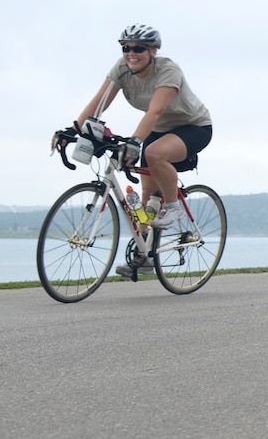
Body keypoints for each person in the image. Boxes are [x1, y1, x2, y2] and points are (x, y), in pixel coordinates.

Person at [52, 24, 213, 275]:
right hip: (158, 130)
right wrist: (73, 130)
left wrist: (136, 141)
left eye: (138, 48)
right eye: (126, 48)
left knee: (154, 154)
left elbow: (155, 111)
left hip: (193, 127)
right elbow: (98, 103)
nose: (131, 53)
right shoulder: (122, 68)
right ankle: (144, 255)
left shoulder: (168, 70)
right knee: (147, 196)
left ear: (153, 51)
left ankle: (173, 207)